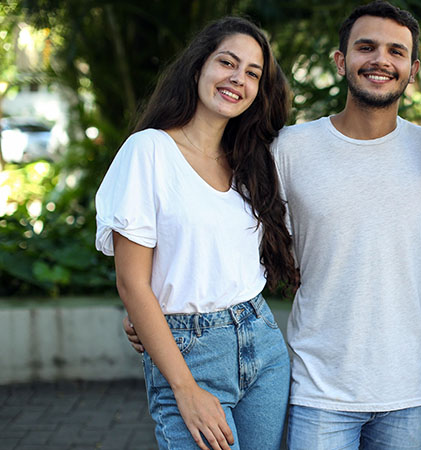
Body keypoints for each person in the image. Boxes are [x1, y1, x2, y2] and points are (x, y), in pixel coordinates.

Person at [95, 17, 295, 450]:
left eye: (252, 73)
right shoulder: (149, 151)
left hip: (261, 341)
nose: (237, 79)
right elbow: (132, 283)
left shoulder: (250, 160)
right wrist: (185, 389)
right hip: (190, 354)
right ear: (199, 65)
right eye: (228, 62)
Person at [271, 2, 421, 448]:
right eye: (367, 47)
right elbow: (242, 239)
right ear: (342, 61)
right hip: (319, 389)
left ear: (412, 69)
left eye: (395, 51)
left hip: (407, 388)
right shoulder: (290, 148)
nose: (381, 60)